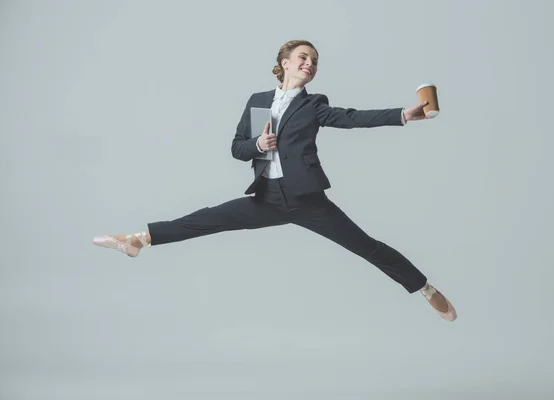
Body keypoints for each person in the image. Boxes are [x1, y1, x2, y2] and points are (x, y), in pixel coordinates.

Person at [93, 39, 457, 322]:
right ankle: (139, 239)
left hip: (307, 199)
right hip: (268, 196)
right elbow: (237, 148)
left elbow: (350, 117)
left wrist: (402, 115)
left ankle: (424, 287)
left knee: (366, 247)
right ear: (284, 63)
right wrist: (258, 144)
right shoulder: (259, 101)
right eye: (303, 57)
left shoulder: (314, 105)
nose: (309, 64)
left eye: (314, 61)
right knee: (206, 218)